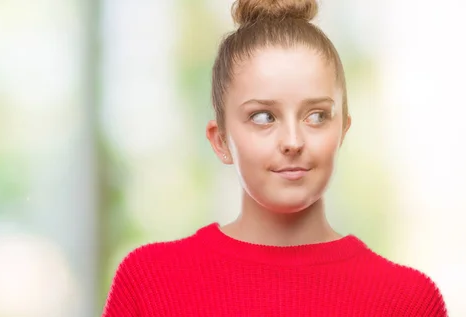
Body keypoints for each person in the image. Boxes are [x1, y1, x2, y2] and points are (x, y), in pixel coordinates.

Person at [102, 0, 448, 316]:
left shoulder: (409, 300)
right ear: (220, 140)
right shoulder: (150, 284)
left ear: (342, 130)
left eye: (316, 116)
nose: (293, 141)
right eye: (263, 117)